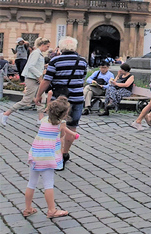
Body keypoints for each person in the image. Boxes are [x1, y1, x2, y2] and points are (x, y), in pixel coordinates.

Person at [35, 36, 87, 170]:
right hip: (77, 99)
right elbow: (82, 78)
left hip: (60, 99)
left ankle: (58, 158)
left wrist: (38, 95)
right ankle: (65, 154)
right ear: (74, 47)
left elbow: (46, 80)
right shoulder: (82, 61)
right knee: (72, 128)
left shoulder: (55, 60)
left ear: (61, 47)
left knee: (58, 129)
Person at [23, 96, 78, 219]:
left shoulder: (44, 120)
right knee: (48, 184)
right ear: (64, 114)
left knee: (31, 183)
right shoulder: (61, 124)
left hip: (35, 155)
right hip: (48, 157)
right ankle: (51, 210)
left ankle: (27, 208)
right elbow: (62, 134)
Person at [2, 37, 50, 126]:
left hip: (36, 79)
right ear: (42, 45)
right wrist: (40, 76)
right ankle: (6, 114)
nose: (48, 48)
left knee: (41, 99)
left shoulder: (38, 53)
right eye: (47, 46)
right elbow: (31, 66)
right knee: (26, 100)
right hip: (32, 79)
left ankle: (40, 119)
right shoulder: (36, 53)